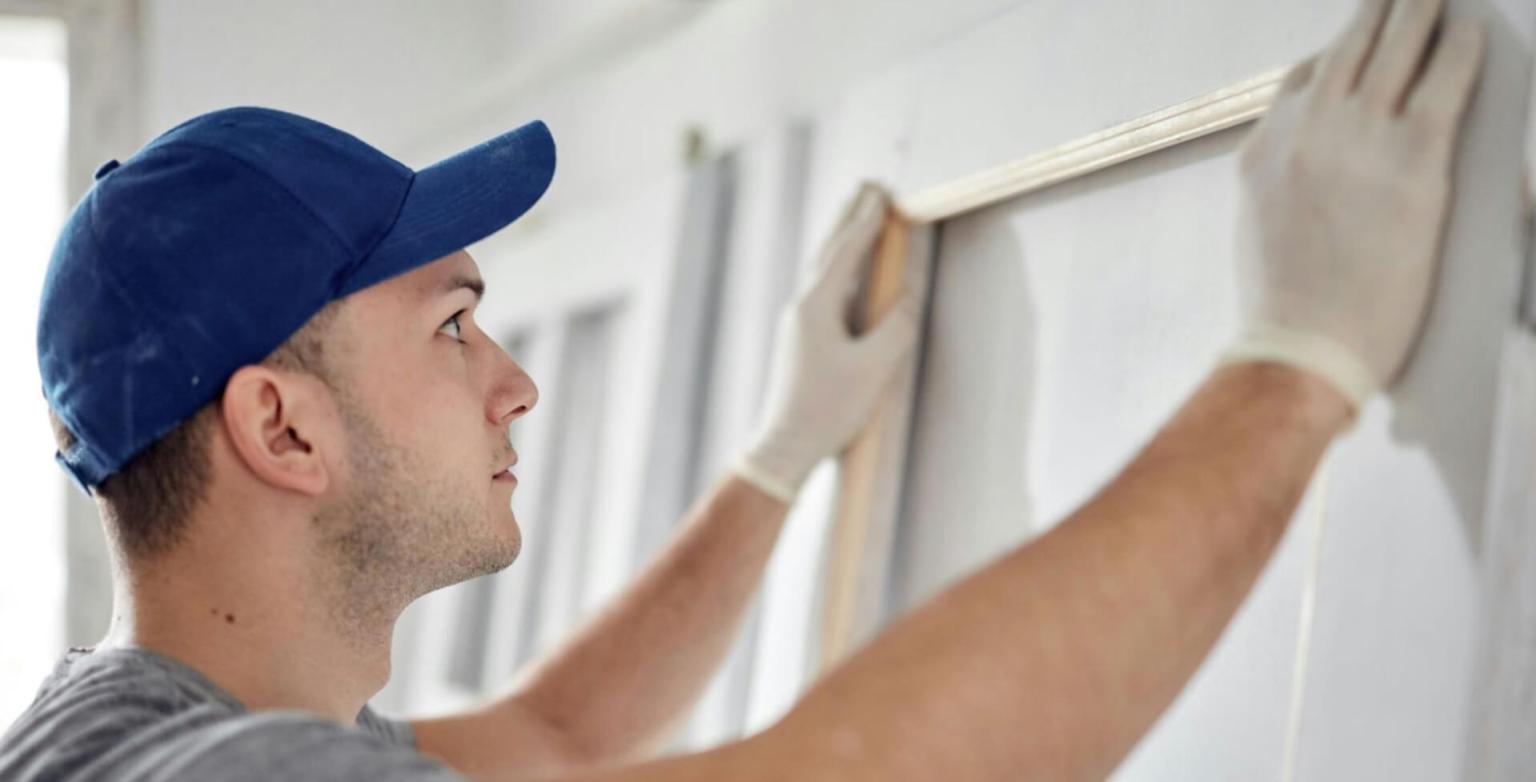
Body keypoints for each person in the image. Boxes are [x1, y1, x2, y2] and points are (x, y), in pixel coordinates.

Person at [0, 0, 1485, 779]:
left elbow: (565, 740)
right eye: (454, 325)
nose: (514, 385)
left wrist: (779, 455)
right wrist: (1297, 365)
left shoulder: (129, 723)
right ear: (284, 424)